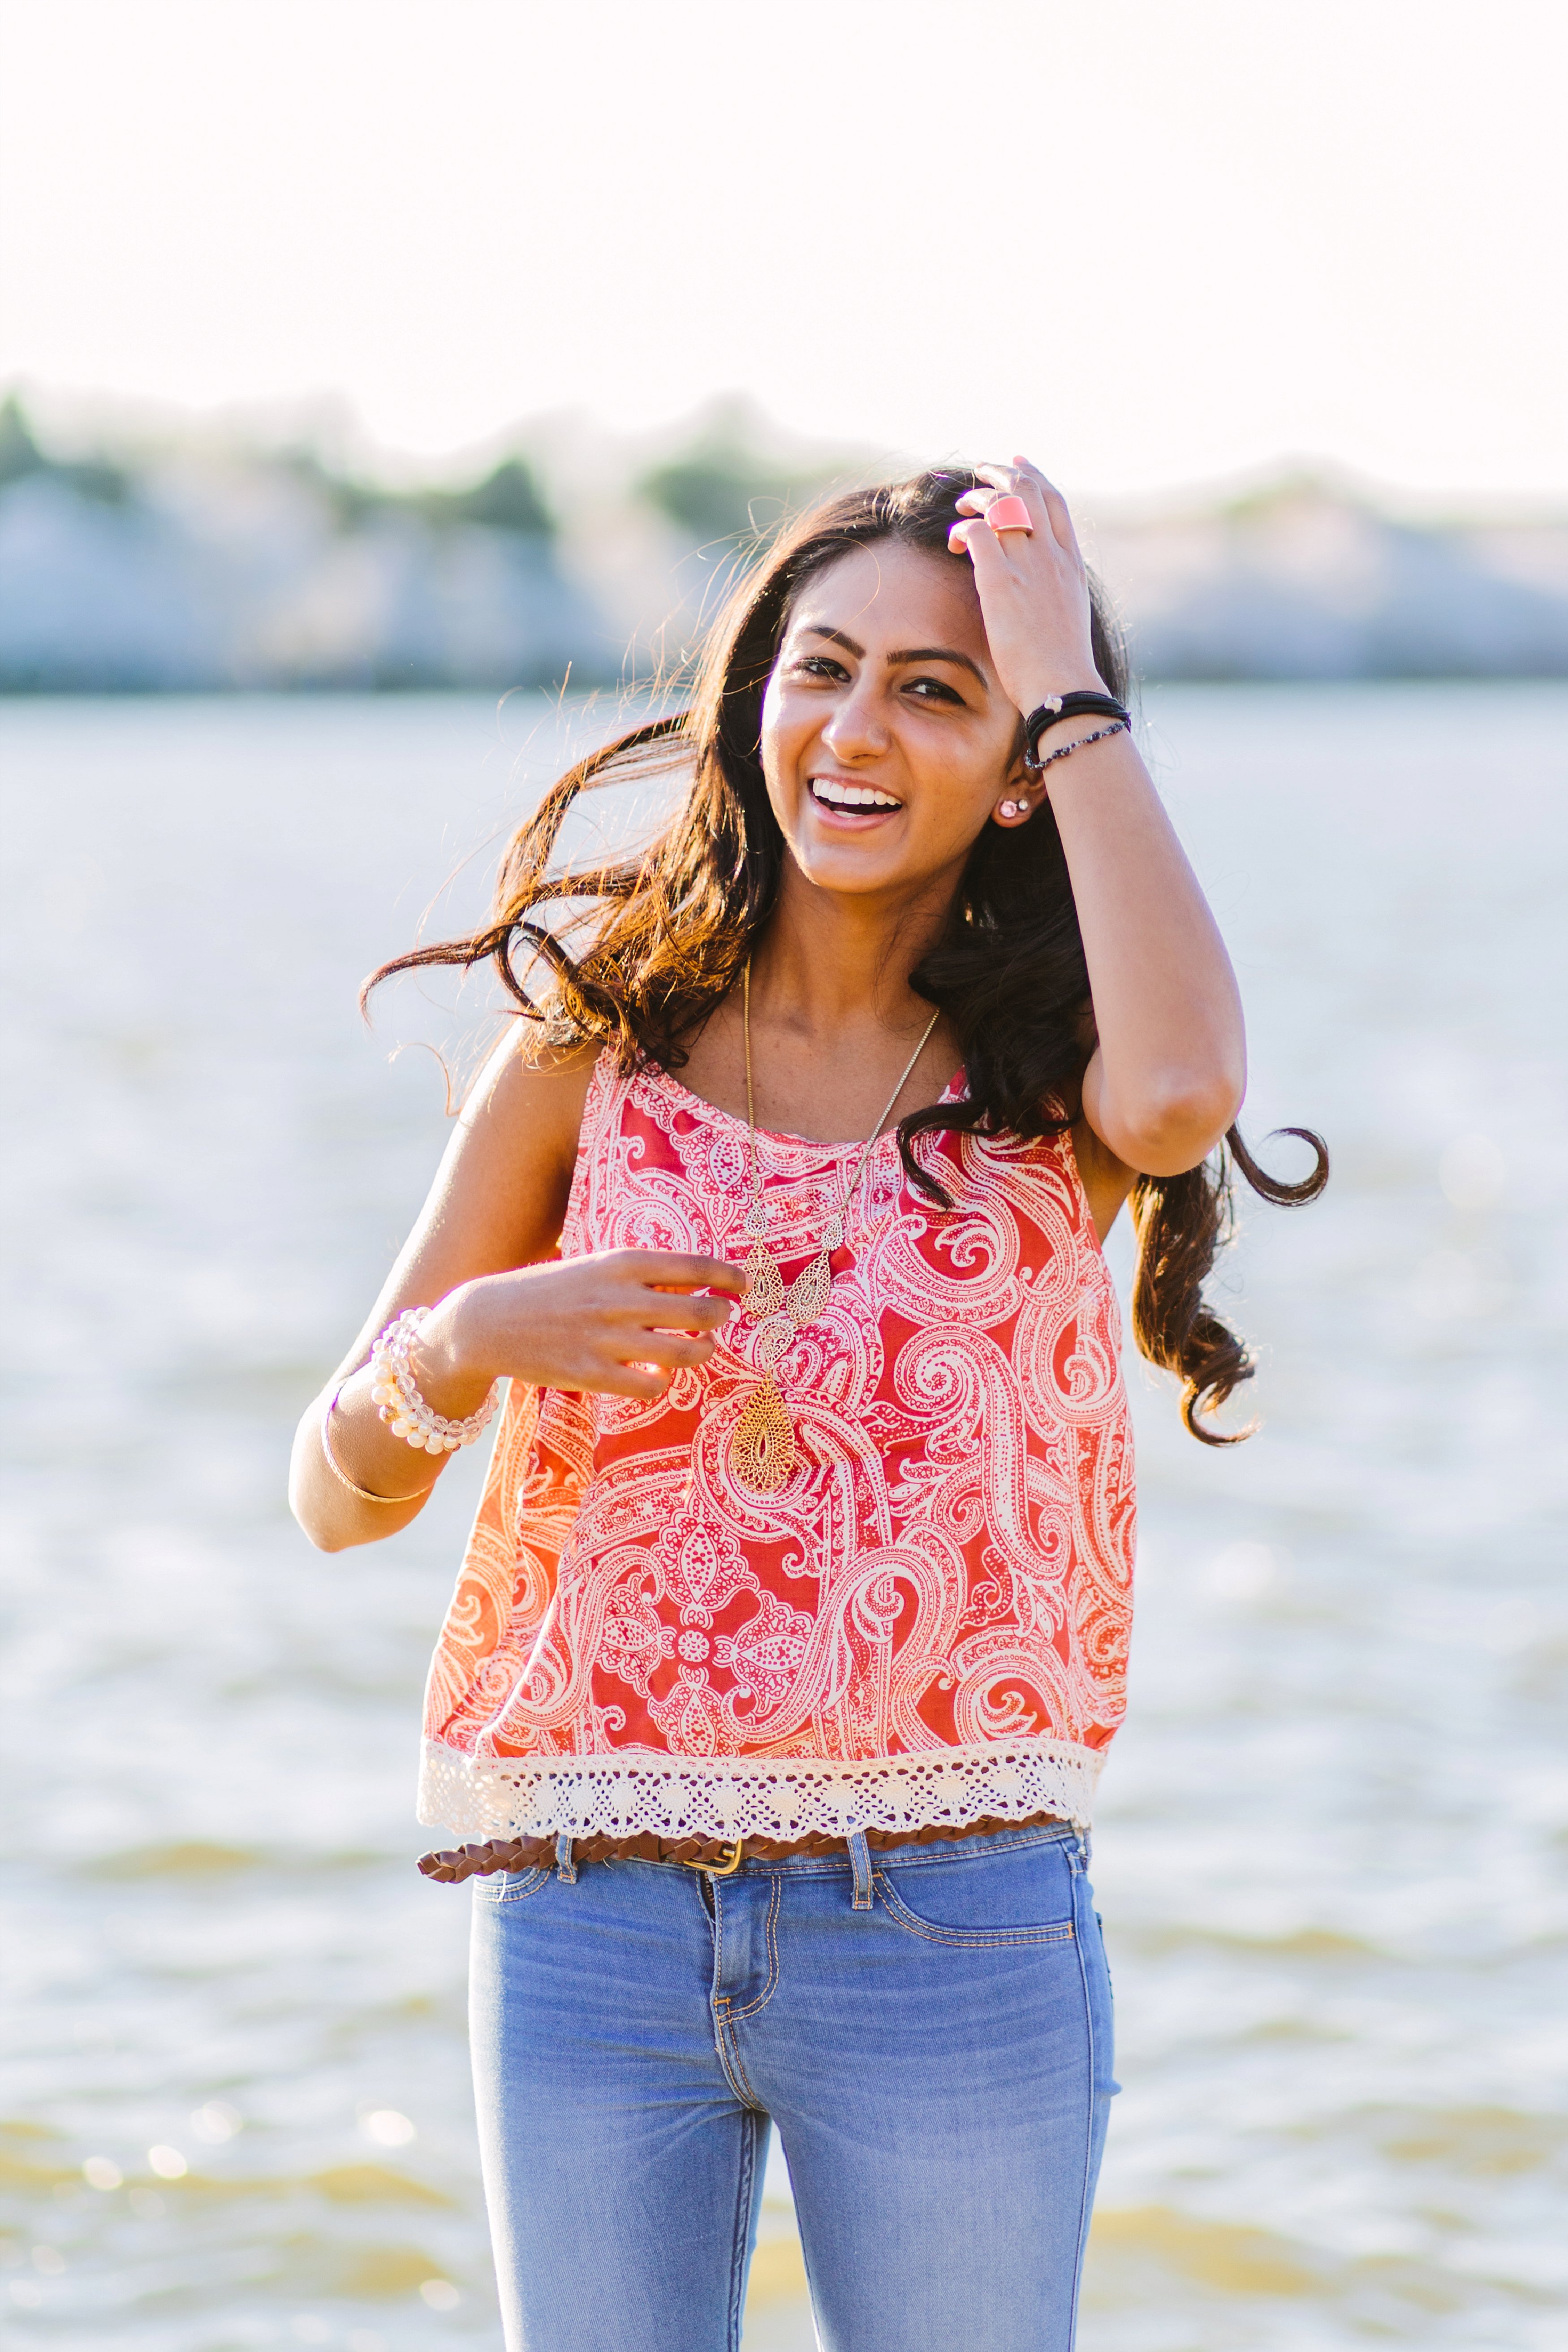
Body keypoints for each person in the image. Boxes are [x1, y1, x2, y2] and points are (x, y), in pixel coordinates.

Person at [290, 459, 1326, 2352]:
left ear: (1020, 762)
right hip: (588, 1911)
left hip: (952, 1920)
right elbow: (333, 1492)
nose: (855, 728)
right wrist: (463, 1346)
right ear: (755, 697)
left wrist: (1066, 678)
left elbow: (1182, 1099)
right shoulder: (595, 1034)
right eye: (819, 668)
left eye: (935, 690)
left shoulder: (1047, 1077)